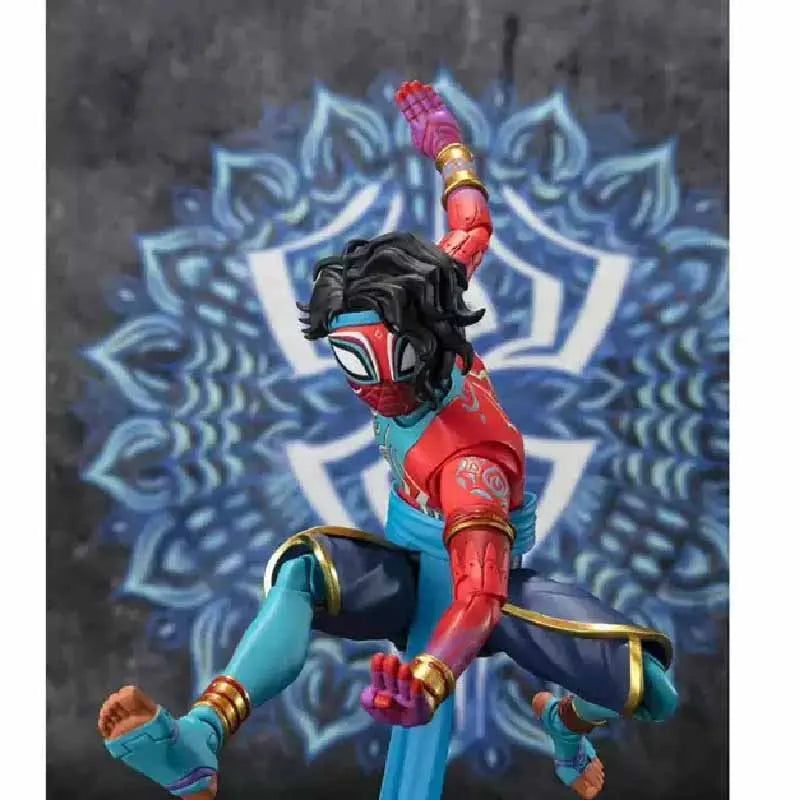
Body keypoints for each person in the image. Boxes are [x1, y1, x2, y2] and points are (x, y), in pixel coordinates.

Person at [98, 81, 677, 800]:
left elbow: (479, 596)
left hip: (480, 586)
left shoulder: (468, 463)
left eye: (390, 357)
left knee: (649, 688)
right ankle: (199, 740)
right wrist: (448, 146)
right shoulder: (428, 294)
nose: (373, 383)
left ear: (429, 338)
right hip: (404, 569)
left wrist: (429, 679)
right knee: (303, 568)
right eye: (351, 358)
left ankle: (563, 721)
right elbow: (472, 223)